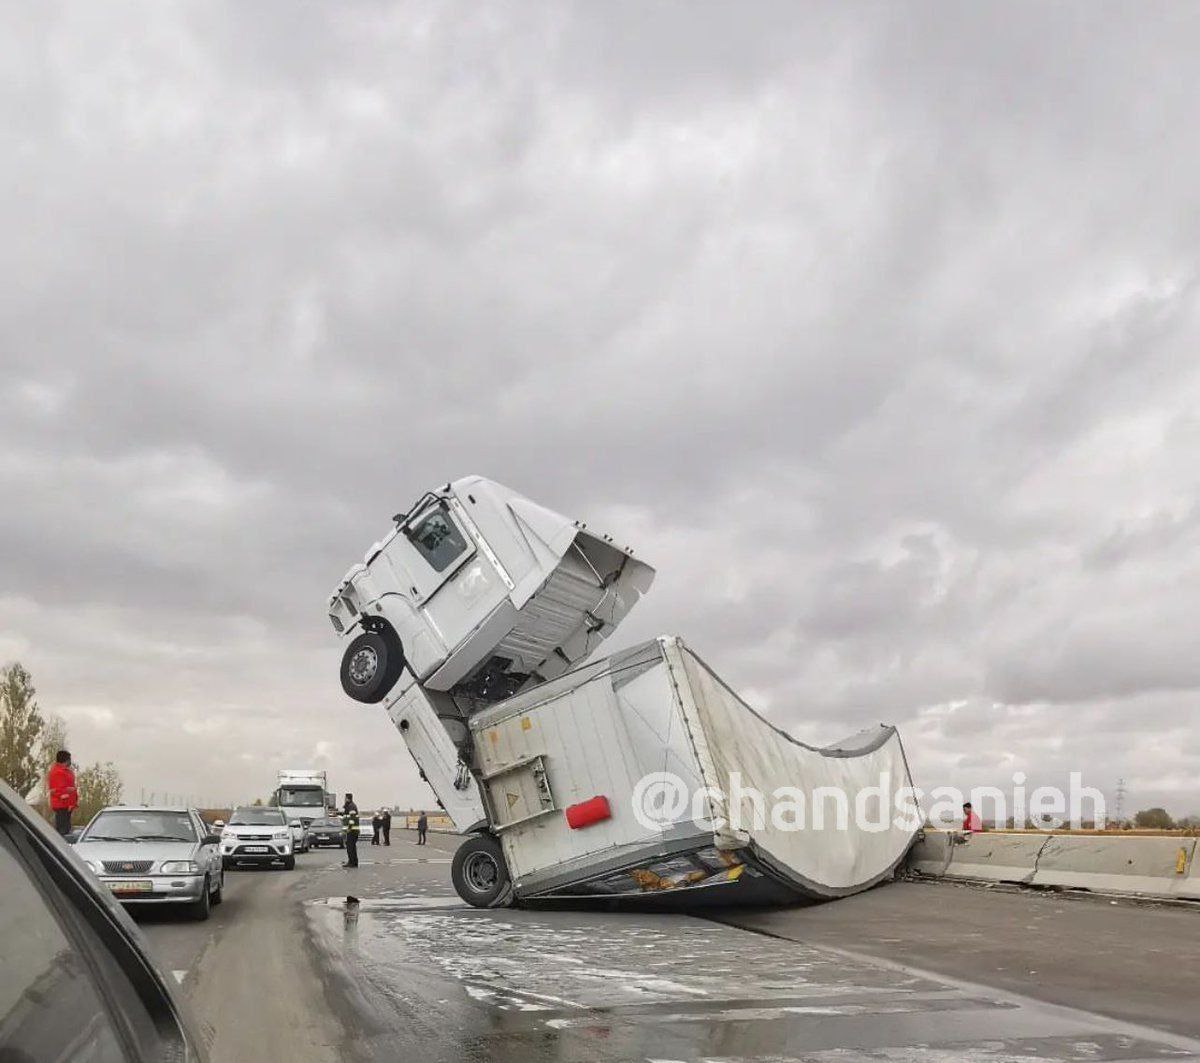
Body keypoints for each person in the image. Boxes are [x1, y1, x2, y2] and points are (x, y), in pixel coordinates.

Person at [47, 750, 78, 837]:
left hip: (67, 805)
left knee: (66, 828)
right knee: (62, 830)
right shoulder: (57, 772)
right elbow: (56, 790)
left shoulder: (66, 771)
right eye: (69, 759)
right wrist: (67, 794)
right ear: (66, 760)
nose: (70, 761)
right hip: (61, 805)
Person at [341, 794, 360, 868]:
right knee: (351, 847)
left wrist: (349, 828)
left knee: (350, 847)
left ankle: (352, 862)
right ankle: (353, 862)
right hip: (352, 830)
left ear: (347, 798)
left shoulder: (351, 806)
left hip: (352, 830)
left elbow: (352, 819)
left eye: (345, 798)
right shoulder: (349, 806)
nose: (344, 799)